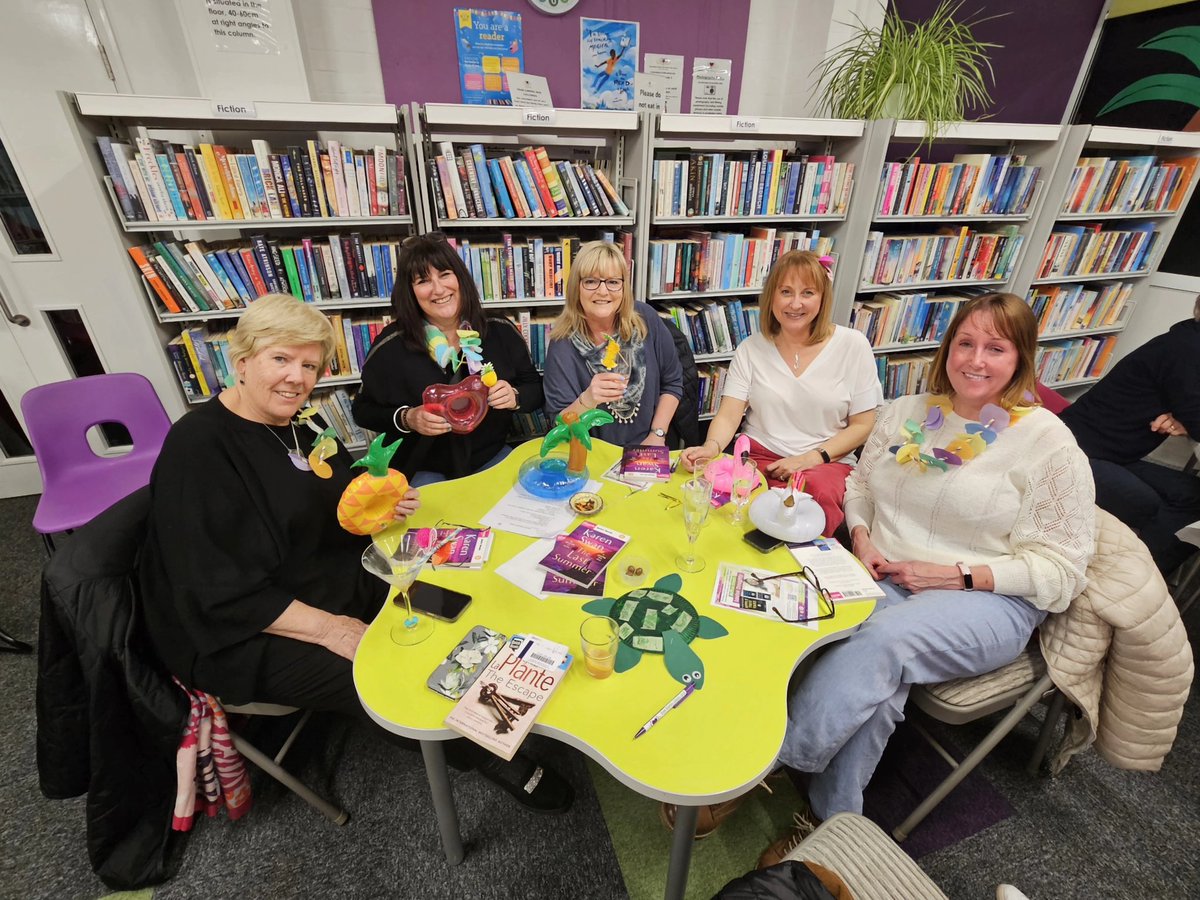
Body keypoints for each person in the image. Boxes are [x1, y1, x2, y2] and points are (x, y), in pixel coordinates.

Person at [140, 294, 571, 813]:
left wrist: (381, 503)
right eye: (281, 359)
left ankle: (497, 703)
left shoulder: (302, 422)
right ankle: (484, 753)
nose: (296, 378)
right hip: (245, 628)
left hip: (324, 573)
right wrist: (333, 628)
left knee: (456, 598)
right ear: (242, 363)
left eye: (309, 365)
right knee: (386, 671)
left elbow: (345, 494)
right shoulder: (198, 449)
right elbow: (216, 591)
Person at [750, 293, 1096, 864]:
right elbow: (859, 486)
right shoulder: (908, 411)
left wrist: (955, 574)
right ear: (948, 348)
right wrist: (861, 537)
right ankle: (831, 823)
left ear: (1022, 357)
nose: (976, 360)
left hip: (991, 597)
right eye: (966, 343)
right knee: (861, 668)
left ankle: (763, 768)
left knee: (882, 642)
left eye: (996, 347)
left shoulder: (1049, 443)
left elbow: (1062, 572)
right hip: (884, 573)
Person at [679, 250, 881, 537]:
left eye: (807, 292)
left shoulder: (853, 345)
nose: (795, 303)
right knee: (723, 509)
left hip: (825, 462)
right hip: (760, 457)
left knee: (808, 509)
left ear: (823, 298)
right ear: (771, 297)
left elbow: (863, 425)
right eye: (786, 292)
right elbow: (729, 414)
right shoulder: (751, 348)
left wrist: (811, 458)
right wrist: (711, 448)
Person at [352, 233, 544, 486]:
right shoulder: (391, 346)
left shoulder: (499, 330)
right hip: (424, 469)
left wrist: (515, 397)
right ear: (410, 291)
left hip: (491, 457)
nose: (439, 289)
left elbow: (535, 389)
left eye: (444, 274)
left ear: (460, 278)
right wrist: (408, 418)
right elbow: (362, 411)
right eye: (423, 281)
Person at [1060, 297, 1200, 575]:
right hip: (1078, 453)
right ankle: (1129, 578)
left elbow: (1191, 409)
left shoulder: (1187, 337)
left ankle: (1138, 576)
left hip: (1113, 453)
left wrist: (1184, 419)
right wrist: (1188, 420)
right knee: (1156, 507)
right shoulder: (1188, 349)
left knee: (1193, 496)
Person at [543, 240, 683, 447]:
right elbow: (560, 423)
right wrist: (588, 399)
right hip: (592, 454)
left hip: (650, 444)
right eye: (591, 281)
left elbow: (672, 382)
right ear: (576, 287)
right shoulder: (562, 343)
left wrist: (657, 434)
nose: (603, 292)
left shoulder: (646, 319)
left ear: (624, 287)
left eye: (613, 282)